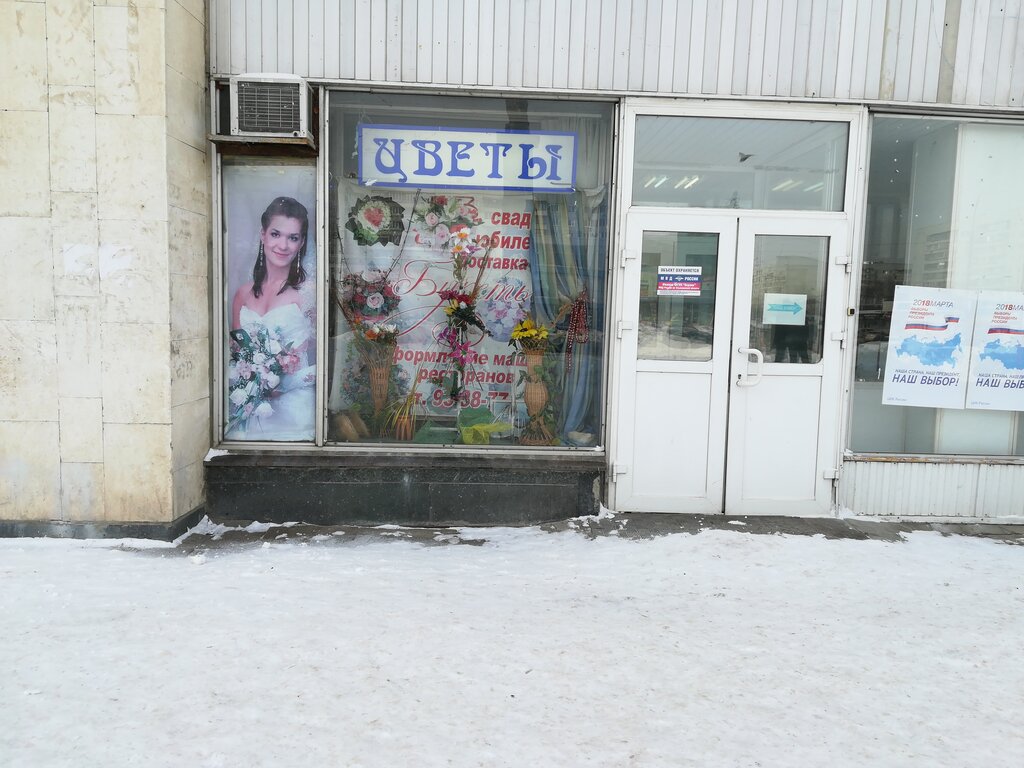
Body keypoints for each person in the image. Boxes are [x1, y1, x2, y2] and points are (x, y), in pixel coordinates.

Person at [226, 197, 316, 441]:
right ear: (263, 235)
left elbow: (324, 353)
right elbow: (237, 354)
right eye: (276, 234)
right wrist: (253, 380)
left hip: (294, 411)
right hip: (251, 407)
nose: (283, 245)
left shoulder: (309, 293)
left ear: (301, 243)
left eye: (293, 238)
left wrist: (282, 380)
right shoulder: (242, 294)